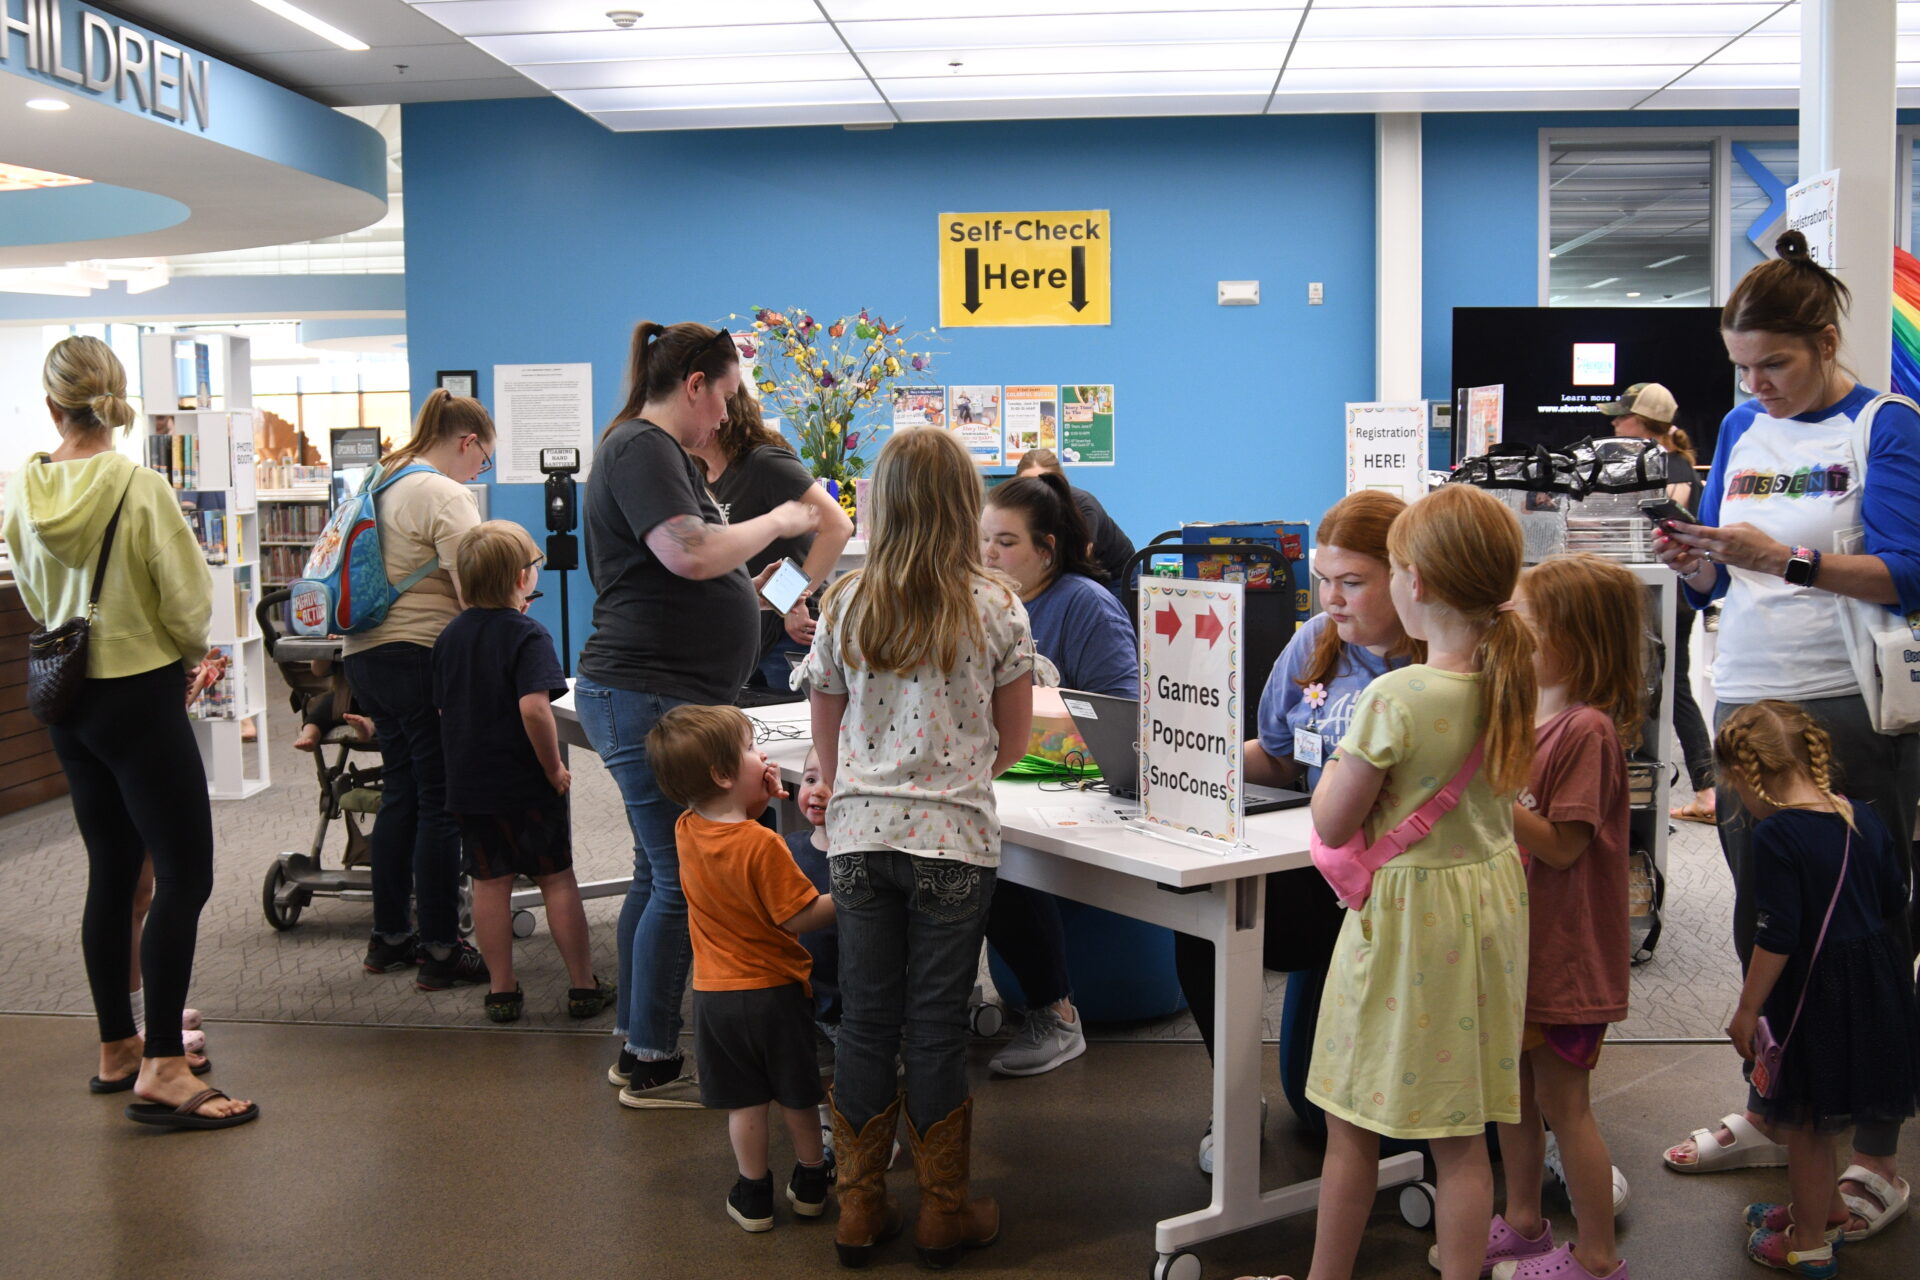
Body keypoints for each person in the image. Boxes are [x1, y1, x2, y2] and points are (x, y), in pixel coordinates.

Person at [1656, 229, 1920, 1239]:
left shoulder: (1884, 425)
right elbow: (1729, 576)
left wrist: (1789, 560)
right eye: (1743, 366)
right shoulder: (1738, 428)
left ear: (1825, 338)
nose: (1758, 383)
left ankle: (1878, 1153)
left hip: (1848, 703)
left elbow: (1910, 571)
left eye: (1777, 362)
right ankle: (1777, 1106)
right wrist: (1695, 560)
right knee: (1763, 918)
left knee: (1864, 929)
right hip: (1747, 699)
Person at [1252, 484, 1534, 1280]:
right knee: (1462, 1139)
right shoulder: (1507, 681)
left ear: (1418, 584)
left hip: (1405, 926)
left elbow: (1334, 822)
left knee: (1349, 1126)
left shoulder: (1395, 694)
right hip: (1483, 914)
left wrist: (1338, 769)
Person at [2, 335, 255, 1129]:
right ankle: (164, 1070)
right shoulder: (138, 488)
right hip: (139, 691)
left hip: (67, 696)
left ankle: (118, 1045)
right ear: (117, 402)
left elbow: (36, 594)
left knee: (111, 871)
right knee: (186, 874)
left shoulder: (21, 489)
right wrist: (188, 655)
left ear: (51, 406)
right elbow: (186, 605)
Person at [799, 426, 1035, 1269]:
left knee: (865, 1019)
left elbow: (827, 741)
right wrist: (952, 771)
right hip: (954, 841)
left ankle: (860, 1208)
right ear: (961, 508)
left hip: (859, 838)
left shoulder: (845, 602)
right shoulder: (998, 605)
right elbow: (1011, 742)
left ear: (882, 506)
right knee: (935, 1026)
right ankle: (944, 1210)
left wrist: (858, 780)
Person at [576, 320, 817, 1106]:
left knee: (657, 872)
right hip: (649, 690)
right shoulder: (641, 447)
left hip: (661, 687)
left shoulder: (654, 453)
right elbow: (686, 551)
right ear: (695, 385)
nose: (726, 417)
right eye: (725, 398)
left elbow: (686, 568)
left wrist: (742, 596)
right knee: (679, 879)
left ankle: (635, 1044)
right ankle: (649, 1058)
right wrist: (778, 523)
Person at [1181, 490, 1420, 1174]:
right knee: (1201, 916)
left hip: (1402, 885)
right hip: (1326, 869)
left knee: (1325, 1113)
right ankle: (1232, 1104)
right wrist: (1197, 763)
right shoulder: (1315, 641)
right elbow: (1281, 757)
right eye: (1323, 579)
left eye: (1352, 582)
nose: (1332, 598)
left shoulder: (1438, 658)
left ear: (1405, 576)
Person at [1717, 701, 1920, 1276]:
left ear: (1744, 778)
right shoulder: (1861, 814)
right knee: (1832, 1118)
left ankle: (1807, 1243)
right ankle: (1826, 1210)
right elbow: (1890, 901)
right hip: (1873, 986)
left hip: (1815, 994)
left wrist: (1746, 1008)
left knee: (1806, 1129)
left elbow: (1777, 934)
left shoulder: (1776, 833)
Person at [1484, 554, 1643, 1280]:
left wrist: (1492, 795)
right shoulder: (1528, 713)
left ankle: (1598, 1256)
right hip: (1518, 950)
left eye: (1528, 620)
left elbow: (1563, 845)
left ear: (1577, 639)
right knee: (1512, 1092)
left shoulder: (1586, 732)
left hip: (1566, 958)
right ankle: (1522, 1221)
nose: (1510, 627)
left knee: (1565, 1105)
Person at [646, 704, 836, 1233]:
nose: (765, 756)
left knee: (746, 1102)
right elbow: (800, 916)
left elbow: (725, 831)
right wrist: (849, 894)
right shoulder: (765, 844)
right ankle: (811, 1181)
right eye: (754, 749)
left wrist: (754, 801)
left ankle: (754, 1193)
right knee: (798, 1093)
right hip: (776, 993)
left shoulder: (685, 829)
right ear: (724, 774)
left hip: (715, 997)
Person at [975, 472, 1136, 1076]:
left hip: (1072, 785)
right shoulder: (986, 603)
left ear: (1047, 548)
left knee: (989, 850)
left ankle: (1056, 1013)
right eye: (984, 539)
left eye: (1006, 542)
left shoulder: (1086, 605)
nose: (989, 553)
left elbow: (1123, 718)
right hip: (1008, 779)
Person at [432, 520, 613, 1024]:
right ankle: (582, 985)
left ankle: (502, 990)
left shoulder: (449, 637)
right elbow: (535, 710)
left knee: (490, 884)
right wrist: (553, 768)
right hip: (525, 782)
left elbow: (446, 712)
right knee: (556, 879)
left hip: (470, 784)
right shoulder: (529, 634)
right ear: (520, 579)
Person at [343, 388, 493, 991]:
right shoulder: (442, 492)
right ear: (466, 441)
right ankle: (440, 946)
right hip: (420, 656)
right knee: (440, 800)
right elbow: (476, 590)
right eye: (481, 460)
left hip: (365, 658)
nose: (477, 471)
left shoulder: (378, 481)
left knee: (402, 792)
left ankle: (390, 936)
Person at [1600, 383, 1716, 824]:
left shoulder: (1670, 468)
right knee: (1671, 684)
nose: (1614, 423)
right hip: (1669, 588)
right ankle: (1704, 786)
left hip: (1667, 589)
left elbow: (1661, 530)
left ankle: (1706, 788)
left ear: (1644, 423)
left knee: (1673, 686)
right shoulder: (1674, 464)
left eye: (1621, 416)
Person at [689, 385, 853, 690]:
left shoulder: (764, 463)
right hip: (747, 633)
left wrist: (788, 601)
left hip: (788, 633)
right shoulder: (702, 475)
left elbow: (838, 526)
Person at [786, 746, 845, 1168]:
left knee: (853, 1071)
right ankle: (830, 1122)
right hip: (806, 990)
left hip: (850, 995)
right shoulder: (786, 849)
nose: (818, 792)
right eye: (809, 780)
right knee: (818, 1065)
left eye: (832, 782)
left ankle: (857, 1128)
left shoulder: (863, 856)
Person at [1015, 447, 1137, 589]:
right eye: (1028, 483)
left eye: (1044, 482)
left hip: (1116, 576)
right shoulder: (1015, 508)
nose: (1036, 490)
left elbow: (1081, 558)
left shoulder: (1083, 506)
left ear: (1060, 481)